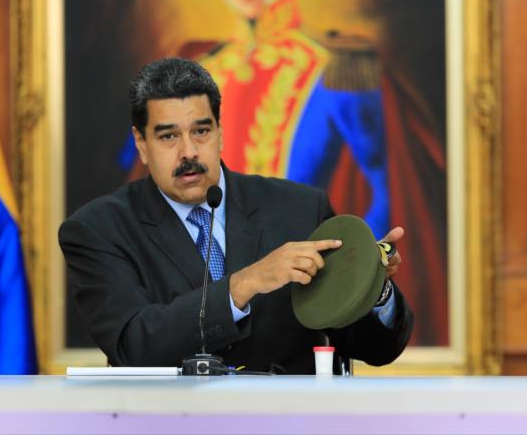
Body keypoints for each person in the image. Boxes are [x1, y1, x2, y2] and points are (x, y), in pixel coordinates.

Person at [61, 58, 412, 372]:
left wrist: (373, 289)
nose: (189, 152)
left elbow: (373, 348)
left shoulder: (301, 209)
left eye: (201, 131)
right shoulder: (99, 229)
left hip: (287, 417)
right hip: (173, 417)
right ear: (141, 143)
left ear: (220, 132)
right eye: (168, 136)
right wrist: (242, 285)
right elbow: (133, 346)